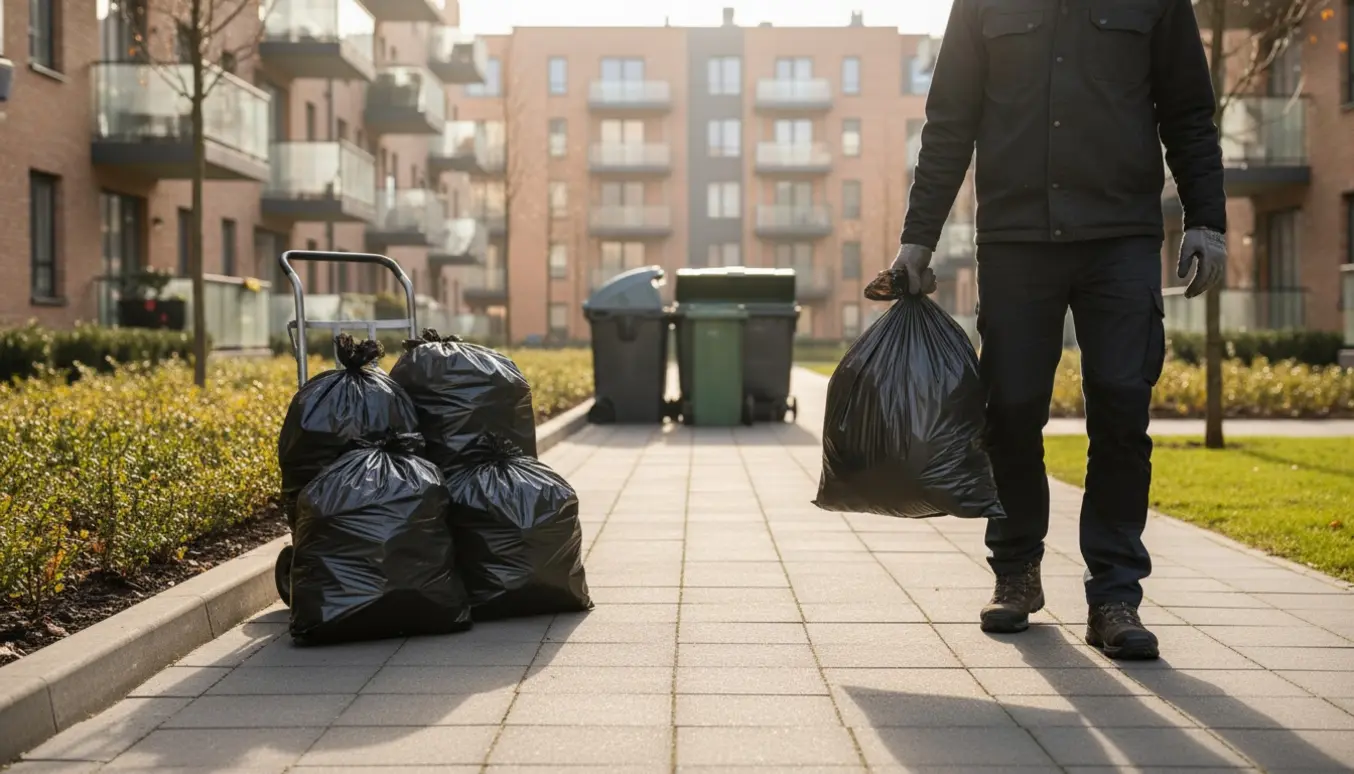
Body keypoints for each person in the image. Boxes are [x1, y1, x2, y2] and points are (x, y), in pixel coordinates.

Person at [894, 0, 1227, 660]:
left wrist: (1205, 218)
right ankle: (1015, 573)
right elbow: (950, 121)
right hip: (1017, 238)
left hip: (1122, 237)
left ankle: (1115, 595)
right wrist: (917, 239)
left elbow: (1188, 110)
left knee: (1121, 407)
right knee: (1010, 409)